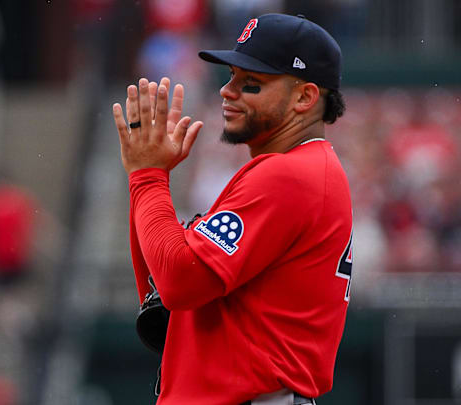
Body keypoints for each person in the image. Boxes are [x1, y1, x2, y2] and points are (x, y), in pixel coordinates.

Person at [112, 13, 352, 405]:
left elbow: (178, 280)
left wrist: (149, 175)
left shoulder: (290, 174)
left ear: (305, 97)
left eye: (251, 83)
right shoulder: (295, 170)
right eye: (231, 77)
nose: (228, 91)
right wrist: (146, 177)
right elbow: (159, 293)